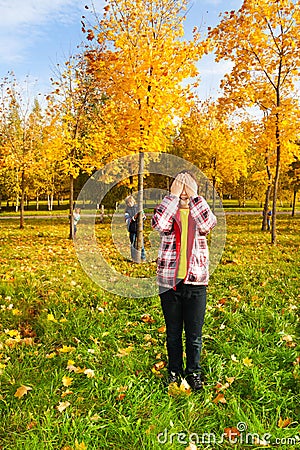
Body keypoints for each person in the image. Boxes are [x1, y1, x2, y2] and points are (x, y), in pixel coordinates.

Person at [152, 171, 217, 391]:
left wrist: (195, 198)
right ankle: (174, 371)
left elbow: (208, 225)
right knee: (172, 333)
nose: (183, 195)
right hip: (169, 282)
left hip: (196, 282)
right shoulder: (170, 214)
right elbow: (158, 224)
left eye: (186, 191)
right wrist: (172, 197)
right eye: (180, 191)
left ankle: (194, 372)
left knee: (194, 334)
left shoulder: (199, 213)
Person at [124, 195, 146, 262]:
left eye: (130, 202)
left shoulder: (138, 208)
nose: (129, 204)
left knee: (141, 243)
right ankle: (134, 258)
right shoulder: (127, 211)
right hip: (132, 229)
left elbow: (144, 216)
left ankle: (143, 257)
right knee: (133, 243)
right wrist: (134, 218)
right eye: (128, 203)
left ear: (133, 201)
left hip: (139, 229)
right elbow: (127, 220)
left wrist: (142, 216)